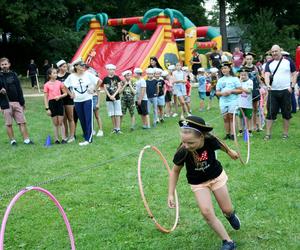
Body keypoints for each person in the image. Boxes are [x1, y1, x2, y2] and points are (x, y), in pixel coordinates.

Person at [168, 116, 240, 250]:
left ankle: (230, 215)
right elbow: (175, 172)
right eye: (184, 142)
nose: (186, 146)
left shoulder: (210, 140)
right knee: (206, 213)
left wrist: (230, 152)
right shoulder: (183, 151)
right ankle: (227, 241)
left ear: (202, 137)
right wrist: (171, 194)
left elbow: (220, 144)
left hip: (216, 177)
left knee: (227, 209)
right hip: (198, 183)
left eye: (191, 143)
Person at [64, 58, 101, 145]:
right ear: (76, 66)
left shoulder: (88, 74)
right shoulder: (71, 77)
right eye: (81, 65)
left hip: (87, 99)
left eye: (84, 65)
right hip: (77, 101)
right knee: (82, 119)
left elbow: (99, 81)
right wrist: (70, 94)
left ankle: (89, 139)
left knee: (88, 119)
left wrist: (94, 89)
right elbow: (64, 86)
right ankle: (86, 137)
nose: (83, 67)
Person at [264, 45, 297, 140]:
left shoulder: (288, 61)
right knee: (270, 113)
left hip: (285, 91)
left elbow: (294, 73)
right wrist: (267, 85)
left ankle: (285, 134)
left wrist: (292, 86)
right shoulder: (269, 63)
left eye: (276, 51)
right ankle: (268, 134)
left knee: (286, 113)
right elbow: (266, 74)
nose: (274, 53)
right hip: (273, 91)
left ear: (280, 51)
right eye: (272, 52)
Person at [0, 57, 34, 146]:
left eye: (5, 64)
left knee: (22, 122)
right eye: (2, 64)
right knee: (9, 124)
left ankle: (26, 140)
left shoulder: (14, 75)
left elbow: (19, 89)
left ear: (9, 64)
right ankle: (13, 141)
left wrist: (22, 102)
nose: (4, 66)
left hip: (17, 102)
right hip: (5, 103)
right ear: (0, 66)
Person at [216, 62, 242, 140]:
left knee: (231, 117)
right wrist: (222, 93)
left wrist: (231, 91)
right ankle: (227, 134)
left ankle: (232, 134)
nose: (223, 70)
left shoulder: (234, 79)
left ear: (229, 69)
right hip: (223, 101)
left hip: (233, 101)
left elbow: (240, 90)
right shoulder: (220, 80)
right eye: (222, 68)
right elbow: (217, 92)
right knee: (225, 117)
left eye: (225, 68)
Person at [44, 68, 67, 144]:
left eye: (56, 73)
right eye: (54, 73)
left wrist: (59, 96)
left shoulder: (59, 83)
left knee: (61, 122)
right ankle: (56, 139)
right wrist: (47, 108)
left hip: (59, 102)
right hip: (52, 103)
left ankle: (63, 139)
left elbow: (65, 93)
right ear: (50, 75)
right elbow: (45, 97)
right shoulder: (46, 84)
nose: (56, 74)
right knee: (55, 123)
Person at [56, 60, 75, 143]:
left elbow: (74, 85)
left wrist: (73, 93)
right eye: (63, 67)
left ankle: (72, 136)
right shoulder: (56, 76)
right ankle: (66, 135)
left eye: (66, 66)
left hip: (69, 98)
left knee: (70, 118)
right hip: (60, 99)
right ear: (59, 67)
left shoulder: (69, 75)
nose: (65, 68)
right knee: (63, 119)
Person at [243, 52, 262, 132]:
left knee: (256, 108)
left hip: (255, 90)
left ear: (252, 59)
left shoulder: (255, 68)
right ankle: (249, 126)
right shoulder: (243, 68)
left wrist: (261, 85)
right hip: (247, 91)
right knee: (248, 109)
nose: (249, 60)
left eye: (250, 59)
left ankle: (258, 125)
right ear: (245, 60)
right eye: (247, 59)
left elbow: (258, 78)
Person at [103, 64, 122, 134]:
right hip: (109, 99)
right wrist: (110, 96)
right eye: (110, 70)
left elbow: (119, 87)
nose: (112, 71)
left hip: (116, 98)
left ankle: (118, 128)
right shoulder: (105, 79)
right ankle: (114, 128)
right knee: (112, 114)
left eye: (113, 70)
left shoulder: (117, 77)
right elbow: (105, 88)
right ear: (107, 70)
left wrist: (114, 95)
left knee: (117, 113)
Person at [237, 68, 253, 136]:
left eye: (244, 75)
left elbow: (249, 91)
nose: (243, 76)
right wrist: (239, 83)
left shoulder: (250, 81)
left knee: (249, 117)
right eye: (241, 75)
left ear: (247, 75)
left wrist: (240, 87)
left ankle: (249, 131)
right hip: (240, 103)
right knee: (239, 117)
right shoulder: (238, 82)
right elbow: (236, 90)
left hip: (248, 103)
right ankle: (240, 131)